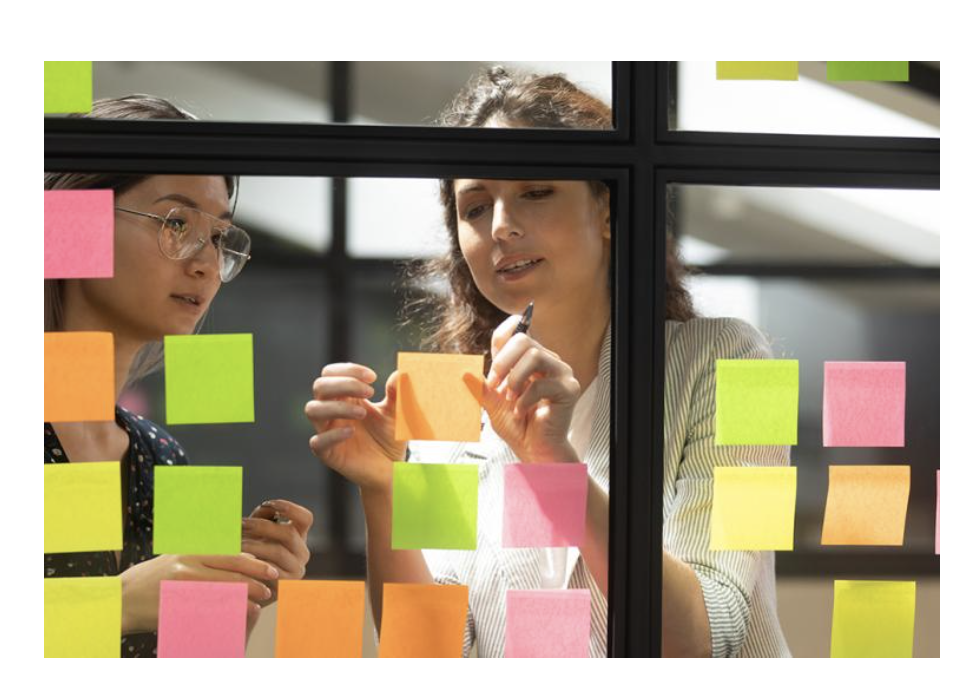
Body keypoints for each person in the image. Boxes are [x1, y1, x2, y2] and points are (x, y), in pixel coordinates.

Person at [305, 67, 790, 657]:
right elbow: (427, 660)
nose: (502, 225)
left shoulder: (739, 364)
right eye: (476, 206)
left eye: (535, 191)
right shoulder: (447, 399)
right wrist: (383, 491)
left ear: (607, 206)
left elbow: (705, 637)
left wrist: (553, 462)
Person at [45, 95, 314, 657]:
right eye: (176, 222)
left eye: (219, 238)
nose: (206, 264)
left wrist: (239, 584)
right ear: (69, 220)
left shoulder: (162, 456)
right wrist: (118, 602)